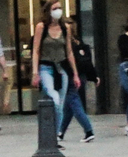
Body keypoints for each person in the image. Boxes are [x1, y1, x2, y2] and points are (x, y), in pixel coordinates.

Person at [34, 11, 93, 143]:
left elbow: (75, 56)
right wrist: (34, 72)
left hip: (65, 71)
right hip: (52, 69)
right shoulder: (44, 29)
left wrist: (79, 74)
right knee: (66, 103)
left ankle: (61, 133)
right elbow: (36, 51)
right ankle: (61, 132)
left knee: (67, 104)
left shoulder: (73, 39)